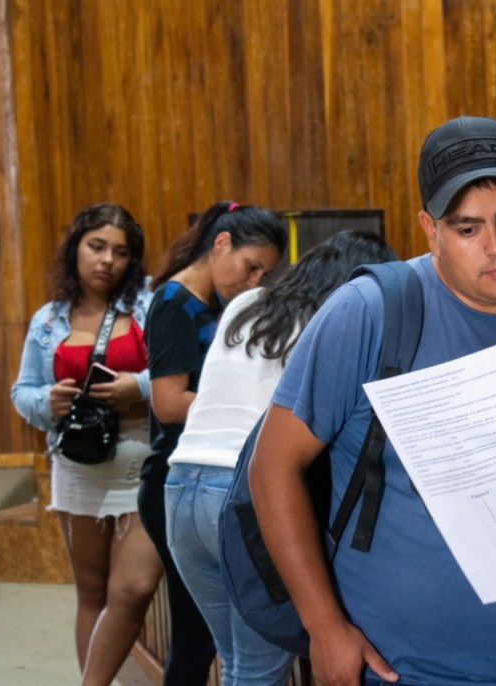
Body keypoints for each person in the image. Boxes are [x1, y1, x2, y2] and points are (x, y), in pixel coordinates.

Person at [250, 115, 496, 686]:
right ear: (430, 231)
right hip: (389, 673)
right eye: (466, 229)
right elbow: (274, 466)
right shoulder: (368, 313)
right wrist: (324, 627)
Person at [165, 230, 397, 686]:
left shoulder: (245, 303)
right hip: (241, 496)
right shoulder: (334, 324)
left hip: (180, 492)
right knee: (257, 670)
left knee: (235, 661)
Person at [11, 203, 163, 686]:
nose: (107, 261)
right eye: (96, 246)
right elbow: (22, 391)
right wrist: (47, 402)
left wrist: (135, 388)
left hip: (142, 463)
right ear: (75, 247)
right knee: (91, 593)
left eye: (120, 252)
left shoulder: (149, 302)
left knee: (134, 588)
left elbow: (178, 370)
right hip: (77, 466)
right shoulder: (48, 320)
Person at [140, 201, 287, 685]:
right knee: (194, 638)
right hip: (179, 474)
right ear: (220, 243)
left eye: (263, 274)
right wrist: (234, 397)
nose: (252, 283)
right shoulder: (174, 302)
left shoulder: (216, 306)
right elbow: (166, 402)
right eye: (250, 267)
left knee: (220, 646)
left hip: (201, 479)